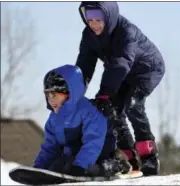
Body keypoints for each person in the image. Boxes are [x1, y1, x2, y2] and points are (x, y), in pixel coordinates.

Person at [76, 2, 165, 176]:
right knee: (112, 110)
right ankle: (130, 160)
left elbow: (120, 64)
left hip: (147, 70)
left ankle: (149, 158)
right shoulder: (89, 35)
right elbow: (84, 65)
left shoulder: (126, 32)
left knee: (133, 105)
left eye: (98, 20)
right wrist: (76, 95)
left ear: (109, 18)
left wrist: (104, 94)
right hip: (124, 74)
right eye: (90, 20)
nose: (94, 24)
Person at [33, 64, 131, 178]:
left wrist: (80, 167)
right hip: (74, 157)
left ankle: (117, 164)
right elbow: (50, 147)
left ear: (69, 93)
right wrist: (39, 167)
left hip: (99, 155)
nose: (50, 99)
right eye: (48, 94)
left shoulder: (90, 112)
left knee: (93, 169)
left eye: (54, 94)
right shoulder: (54, 119)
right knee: (56, 167)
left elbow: (93, 142)